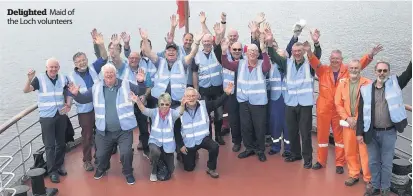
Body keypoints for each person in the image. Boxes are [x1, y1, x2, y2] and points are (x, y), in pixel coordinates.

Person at [307, 29, 383, 173]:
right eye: (332, 58)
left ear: (342, 60)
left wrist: (371, 54)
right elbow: (312, 60)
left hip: (339, 111)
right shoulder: (322, 70)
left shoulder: (347, 70)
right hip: (323, 110)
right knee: (321, 137)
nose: (334, 60)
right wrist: (313, 46)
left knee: (339, 139)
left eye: (337, 58)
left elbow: (361, 64)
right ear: (330, 59)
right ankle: (320, 161)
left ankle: (339, 163)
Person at [68, 63, 145, 185]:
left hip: (123, 130)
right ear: (103, 75)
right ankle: (102, 168)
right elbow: (83, 99)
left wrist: (141, 82)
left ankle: (128, 172)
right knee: (101, 155)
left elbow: (141, 91)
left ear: (115, 74)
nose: (109, 76)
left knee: (126, 153)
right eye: (106, 74)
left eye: (111, 73)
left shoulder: (125, 84)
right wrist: (76, 94)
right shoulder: (96, 87)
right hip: (104, 131)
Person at [357, 60, 412, 196]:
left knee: (387, 163)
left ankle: (385, 188)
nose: (382, 73)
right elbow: (361, 113)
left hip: (389, 133)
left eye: (385, 71)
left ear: (388, 72)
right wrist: (359, 133)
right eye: (379, 70)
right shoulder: (365, 90)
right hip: (371, 132)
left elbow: (409, 73)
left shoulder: (395, 84)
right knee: (374, 162)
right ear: (375, 72)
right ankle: (375, 186)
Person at [23, 58, 70, 183]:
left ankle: (59, 164)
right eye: (51, 67)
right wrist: (29, 79)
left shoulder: (63, 78)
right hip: (46, 117)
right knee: (49, 146)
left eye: (55, 67)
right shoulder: (39, 79)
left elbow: (69, 91)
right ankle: (52, 171)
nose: (53, 69)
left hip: (60, 114)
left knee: (61, 143)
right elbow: (26, 90)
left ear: (59, 67)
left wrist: (68, 104)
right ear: (46, 68)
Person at [66, 29, 108, 171]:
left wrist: (101, 44)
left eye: (84, 59)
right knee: (87, 135)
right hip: (85, 111)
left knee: (101, 133)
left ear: (87, 60)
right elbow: (69, 93)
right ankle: (87, 160)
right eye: (79, 61)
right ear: (75, 63)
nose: (82, 63)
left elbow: (104, 57)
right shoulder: (70, 76)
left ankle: (100, 157)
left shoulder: (93, 68)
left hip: (99, 107)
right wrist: (67, 104)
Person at [176, 83, 234, 179]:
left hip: (202, 139)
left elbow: (217, 102)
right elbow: (176, 130)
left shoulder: (204, 105)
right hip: (188, 142)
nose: (191, 98)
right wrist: (180, 146)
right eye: (188, 96)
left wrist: (226, 94)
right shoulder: (179, 111)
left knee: (214, 146)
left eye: (193, 95)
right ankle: (183, 154)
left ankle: (211, 168)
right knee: (189, 168)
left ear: (197, 97)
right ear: (184, 98)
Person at [130, 90, 185, 182]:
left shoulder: (173, 114)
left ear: (170, 105)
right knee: (155, 152)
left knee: (170, 170)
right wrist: (138, 101)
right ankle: (154, 171)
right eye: (162, 104)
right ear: (159, 105)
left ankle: (159, 161)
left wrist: (183, 104)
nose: (164, 107)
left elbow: (180, 112)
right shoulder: (154, 112)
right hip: (155, 142)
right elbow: (144, 110)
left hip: (168, 145)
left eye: (167, 104)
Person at [334, 59, 372, 188]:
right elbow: (338, 103)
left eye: (356, 68)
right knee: (350, 150)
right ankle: (353, 174)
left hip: (361, 123)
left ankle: (368, 178)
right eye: (351, 68)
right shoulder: (342, 83)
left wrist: (357, 120)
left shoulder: (367, 83)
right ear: (348, 69)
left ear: (360, 69)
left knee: (364, 151)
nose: (354, 70)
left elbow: (369, 105)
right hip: (348, 123)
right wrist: (347, 118)